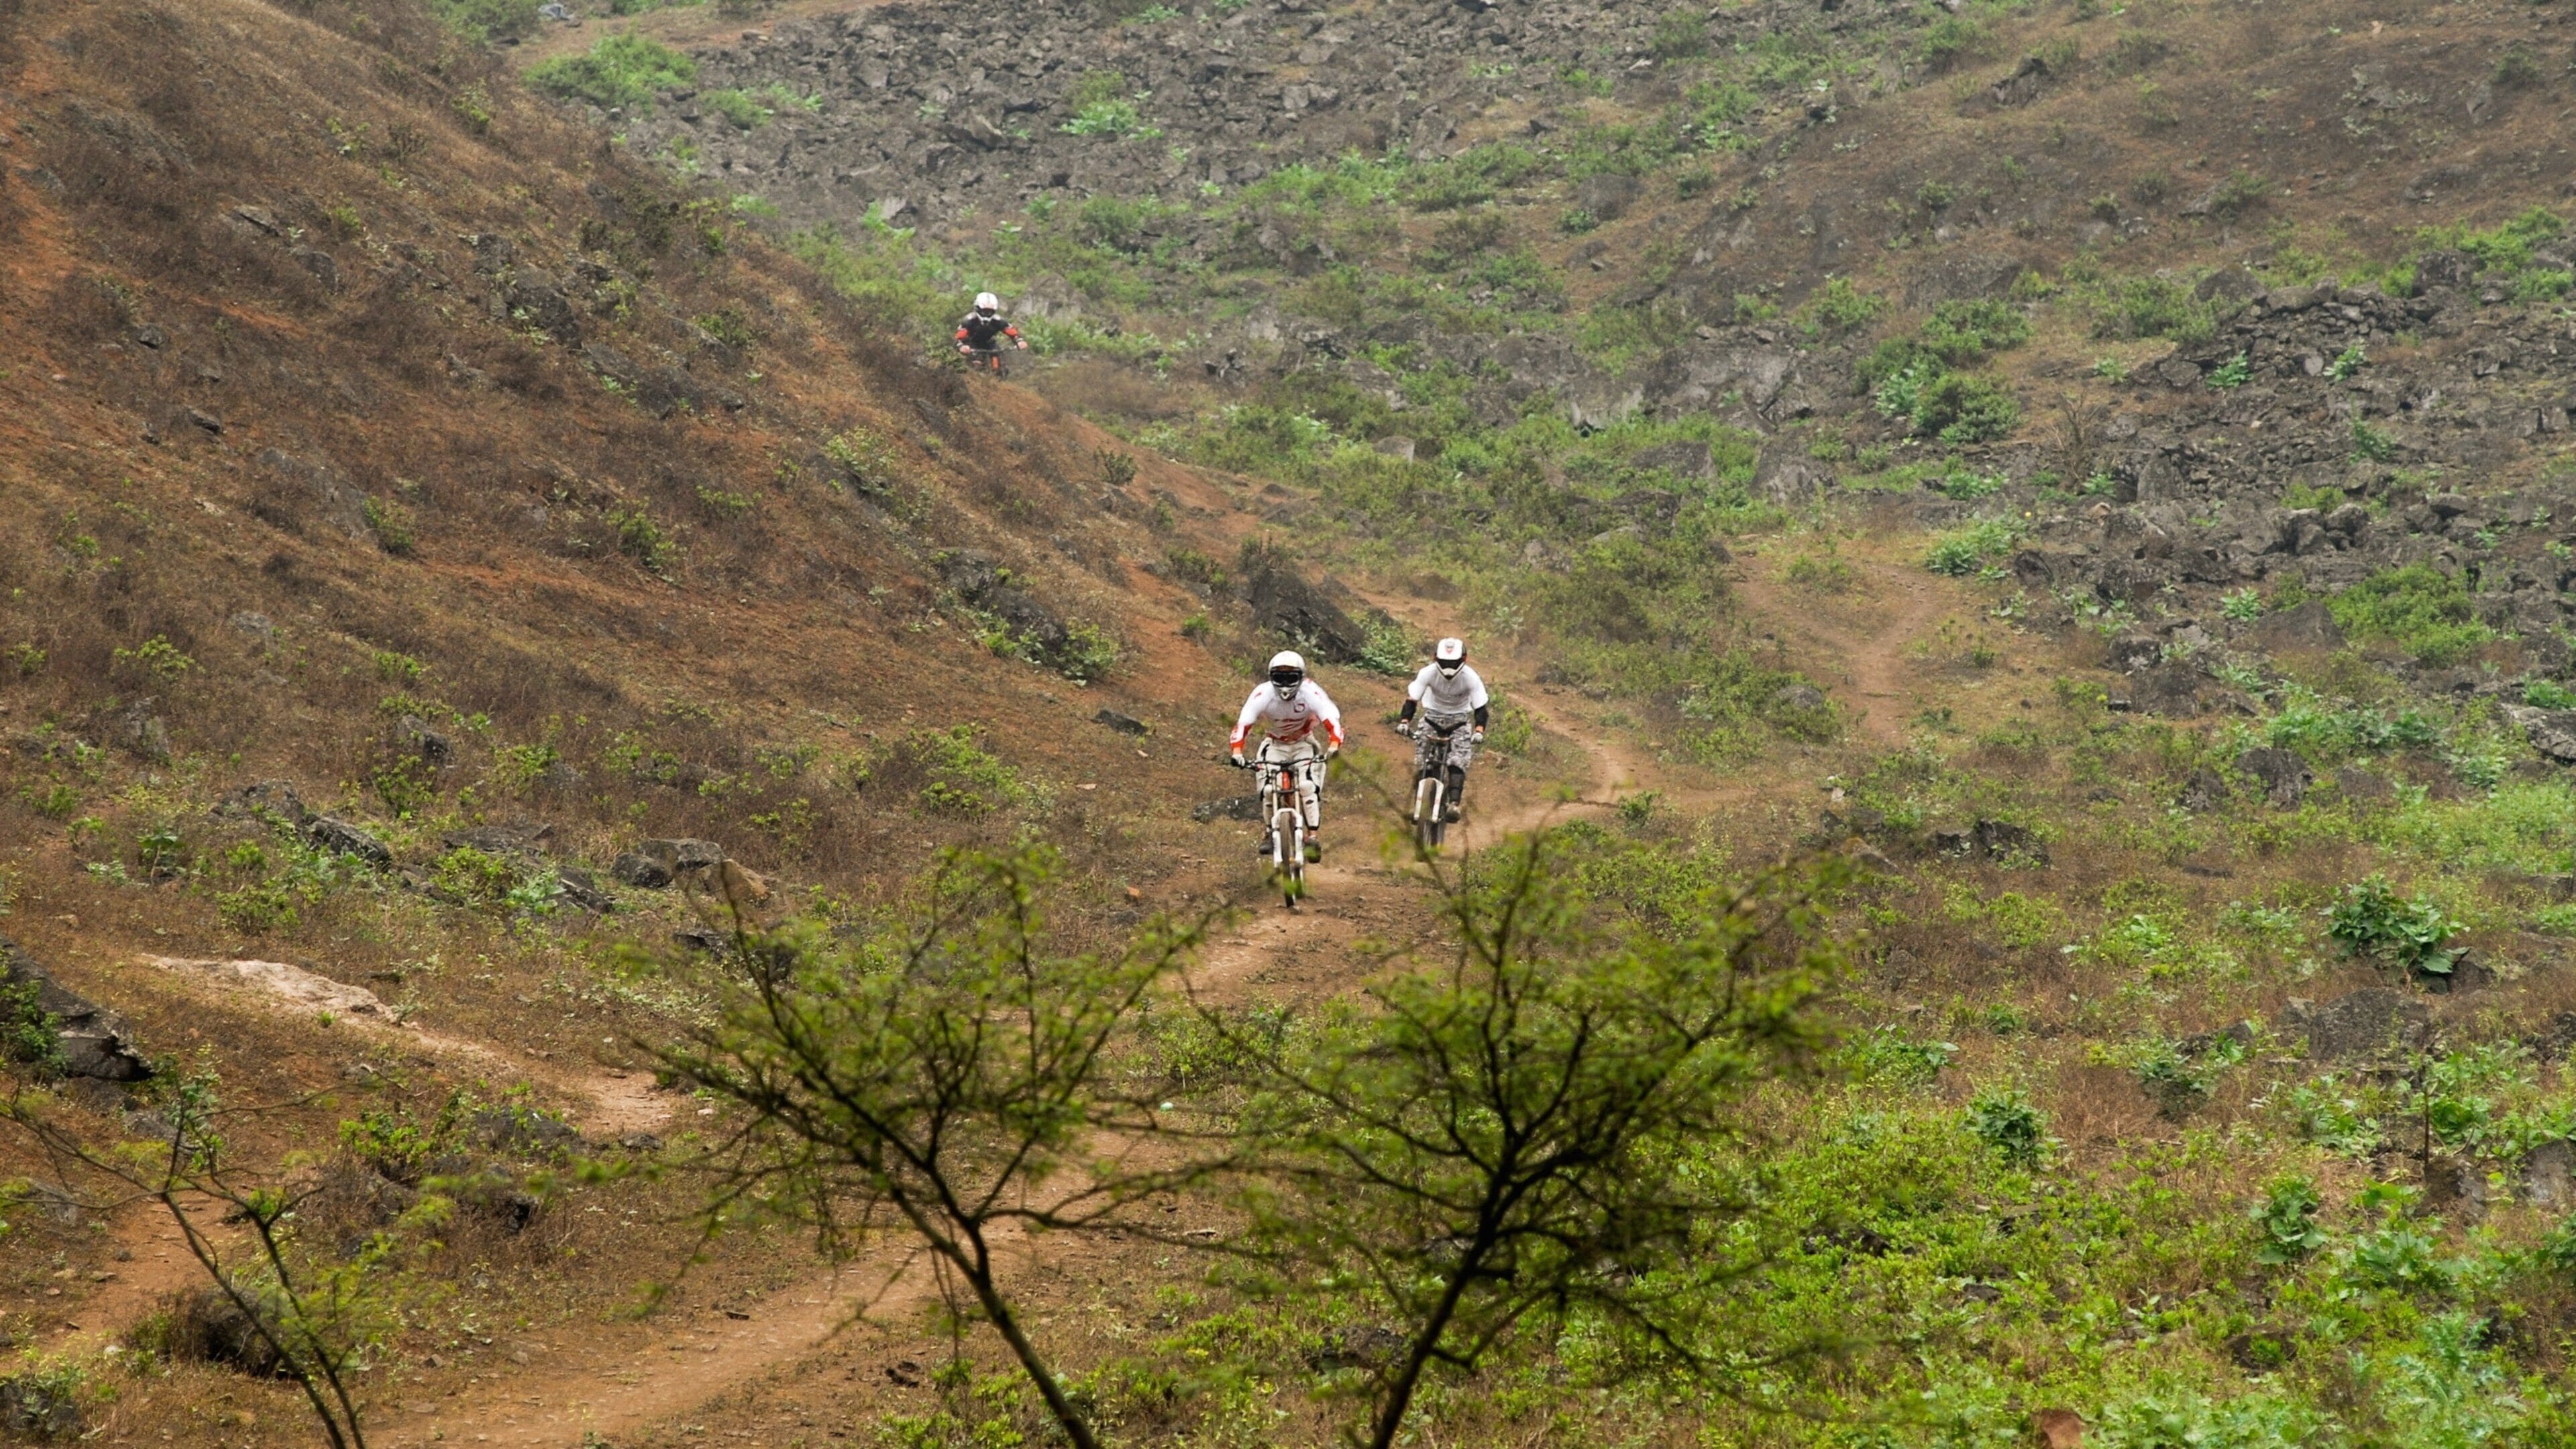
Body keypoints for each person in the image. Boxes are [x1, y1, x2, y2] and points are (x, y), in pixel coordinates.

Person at [1229, 650, 1343, 863]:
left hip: (1303, 743)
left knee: (1307, 786)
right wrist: (1237, 752)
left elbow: (1331, 719)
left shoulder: (1310, 692)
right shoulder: (1263, 694)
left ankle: (1313, 838)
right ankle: (1269, 833)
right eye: (1279, 677)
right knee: (1268, 789)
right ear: (1271, 677)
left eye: (1290, 678)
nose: (1284, 683)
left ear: (1300, 677)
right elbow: (1243, 723)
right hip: (1274, 744)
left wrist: (1334, 746)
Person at [1395, 637, 1487, 823]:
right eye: (1444, 662)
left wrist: (1479, 731)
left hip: (1459, 721)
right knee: (1422, 761)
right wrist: (1405, 721)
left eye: (1453, 663)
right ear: (1435, 658)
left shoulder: (1471, 678)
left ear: (1464, 659)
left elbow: (1481, 708)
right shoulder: (1427, 673)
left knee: (1458, 761)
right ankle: (1418, 805)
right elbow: (1412, 700)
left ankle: (1454, 804)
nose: (1448, 668)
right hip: (1432, 718)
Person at [955, 292, 1027, 370]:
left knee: (998, 361)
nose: (986, 314)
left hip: (989, 342)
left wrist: (1020, 341)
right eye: (984, 311)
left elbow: (1013, 333)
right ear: (977, 309)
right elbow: (958, 338)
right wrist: (961, 346)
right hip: (971, 343)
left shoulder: (999, 321)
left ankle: (999, 377)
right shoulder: (969, 321)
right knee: (977, 363)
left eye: (990, 312)